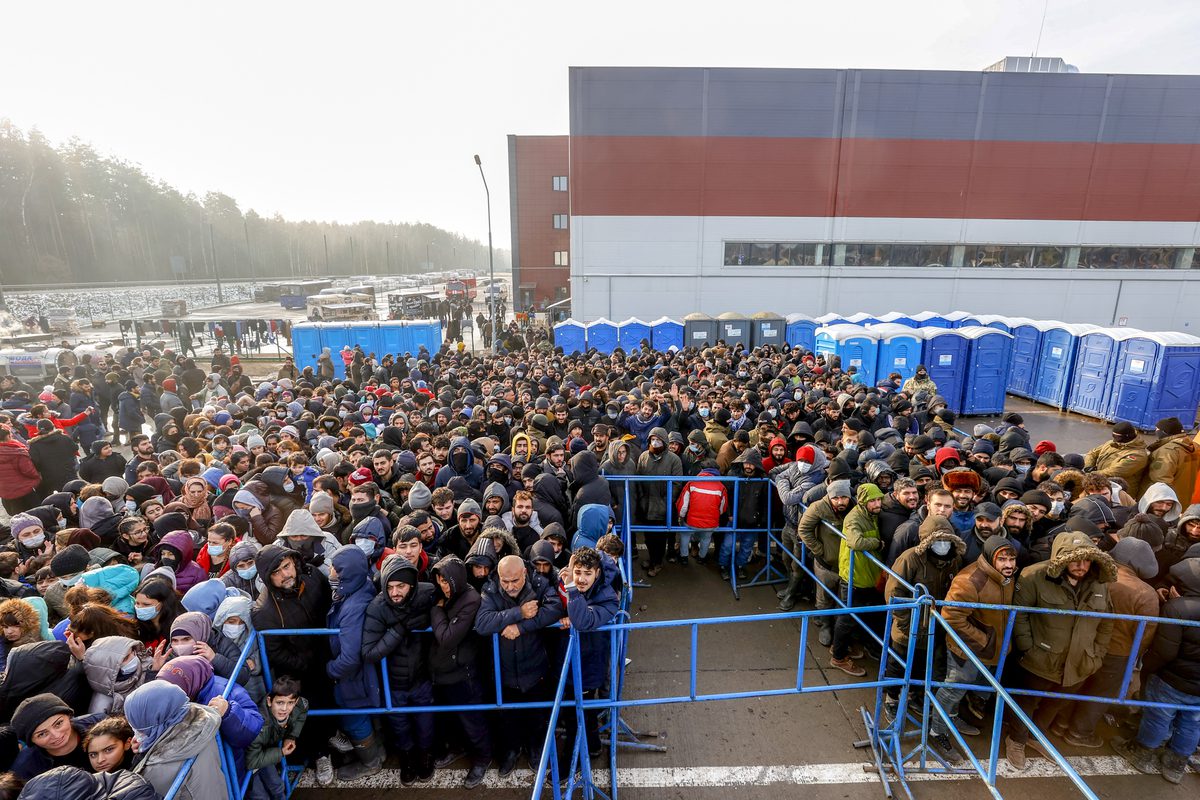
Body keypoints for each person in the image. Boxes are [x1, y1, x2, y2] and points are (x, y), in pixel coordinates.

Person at [1007, 531, 1116, 769]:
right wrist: (1028, 648)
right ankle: (1016, 740)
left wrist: (1097, 654)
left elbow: (1107, 621)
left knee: (1056, 702)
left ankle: (1036, 737)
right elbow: (1019, 615)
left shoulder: (1100, 584)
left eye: (1086, 559)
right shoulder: (1033, 576)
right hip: (1040, 660)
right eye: (1074, 559)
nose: (1080, 565)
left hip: (1080, 663)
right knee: (1026, 702)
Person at [474, 554, 563, 776]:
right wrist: (518, 613)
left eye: (515, 580)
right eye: (505, 581)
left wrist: (520, 627)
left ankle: (535, 750)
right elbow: (482, 623)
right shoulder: (491, 589)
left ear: (524, 573)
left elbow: (554, 610)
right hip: (503, 671)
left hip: (535, 667)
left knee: (537, 716)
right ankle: (511, 751)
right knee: (507, 718)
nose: (510, 586)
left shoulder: (540, 583)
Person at [1114, 555, 1200, 783]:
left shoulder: (1178, 609)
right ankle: (1176, 764)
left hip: (1172, 679)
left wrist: (1148, 671)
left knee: (1158, 716)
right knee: (1192, 722)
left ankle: (1143, 752)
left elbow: (1165, 652)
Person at [934, 535, 1018, 758]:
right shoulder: (970, 580)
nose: (1008, 564)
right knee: (952, 691)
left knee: (967, 690)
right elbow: (951, 616)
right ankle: (936, 732)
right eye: (1003, 559)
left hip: (991, 650)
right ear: (991, 559)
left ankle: (951, 719)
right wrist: (983, 641)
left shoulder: (1006, 578)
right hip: (966, 649)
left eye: (1012, 559)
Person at [362, 555, 437, 785]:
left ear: (412, 585)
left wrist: (427, 619)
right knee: (400, 725)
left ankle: (425, 756)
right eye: (390, 587)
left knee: (426, 723)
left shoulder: (427, 595)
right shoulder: (377, 607)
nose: (395, 592)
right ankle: (407, 758)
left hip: (423, 677)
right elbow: (369, 652)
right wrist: (400, 629)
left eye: (401, 586)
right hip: (393, 683)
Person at [428, 555, 491, 789]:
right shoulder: (444, 597)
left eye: (447, 581)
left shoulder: (471, 599)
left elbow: (447, 637)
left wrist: (437, 611)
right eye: (440, 581)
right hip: (441, 671)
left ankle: (483, 757)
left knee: (472, 719)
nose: (443, 586)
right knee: (452, 719)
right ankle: (459, 747)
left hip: (462, 672)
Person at [325, 544, 382, 781]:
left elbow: (350, 656)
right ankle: (378, 752)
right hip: (360, 676)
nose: (330, 572)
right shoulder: (360, 587)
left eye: (335, 568)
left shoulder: (354, 607)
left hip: (352, 678)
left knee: (354, 718)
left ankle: (370, 762)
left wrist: (330, 669)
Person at [558, 547, 619, 761]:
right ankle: (592, 746)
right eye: (578, 572)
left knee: (583, 708)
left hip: (589, 662)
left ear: (597, 574)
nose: (582, 579)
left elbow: (584, 621)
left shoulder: (608, 598)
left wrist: (572, 590)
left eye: (587, 573)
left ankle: (577, 753)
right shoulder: (563, 582)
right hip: (566, 658)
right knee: (571, 706)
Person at [124, 680, 226, 800]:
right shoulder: (199, 721)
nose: (136, 732)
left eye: (139, 727)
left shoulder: (158, 768)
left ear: (157, 721)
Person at [829, 483, 885, 677]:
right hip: (853, 577)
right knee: (847, 618)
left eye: (879, 499)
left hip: (865, 575)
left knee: (856, 616)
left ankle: (842, 647)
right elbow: (855, 542)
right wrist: (877, 543)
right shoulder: (854, 518)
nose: (878, 503)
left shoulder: (872, 515)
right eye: (873, 501)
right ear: (863, 501)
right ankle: (838, 657)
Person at [246, 675, 308, 800]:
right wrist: (281, 752)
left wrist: (291, 736)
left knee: (277, 787)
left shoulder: (299, 705)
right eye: (280, 703)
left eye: (290, 703)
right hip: (246, 759)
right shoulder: (259, 725)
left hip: (264, 751)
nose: (284, 708)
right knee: (260, 797)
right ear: (269, 701)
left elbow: (303, 708)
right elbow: (251, 761)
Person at [1146, 417, 1200, 506]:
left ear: (1165, 432)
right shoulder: (1194, 447)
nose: (1156, 430)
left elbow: (1161, 479)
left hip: (1167, 501)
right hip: (1186, 497)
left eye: (1158, 429)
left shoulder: (1167, 451)